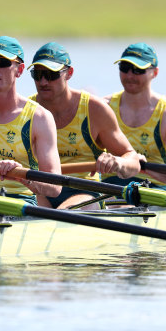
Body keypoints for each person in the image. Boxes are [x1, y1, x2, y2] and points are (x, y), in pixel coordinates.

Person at [28, 42, 140, 209]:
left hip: (83, 191)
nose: (43, 81)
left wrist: (117, 162)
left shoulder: (94, 109)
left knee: (64, 214)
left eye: (51, 74)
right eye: (37, 74)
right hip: (40, 190)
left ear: (69, 73)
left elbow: (133, 161)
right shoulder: (27, 110)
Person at [0, 36, 62, 204]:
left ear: (20, 70)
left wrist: (22, 175)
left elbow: (55, 187)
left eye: (3, 63)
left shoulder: (39, 117)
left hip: (20, 201)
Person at [103, 42, 166, 190]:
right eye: (125, 68)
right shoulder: (104, 107)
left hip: (152, 187)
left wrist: (140, 167)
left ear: (155, 73)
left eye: (138, 70)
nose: (130, 75)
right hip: (111, 185)